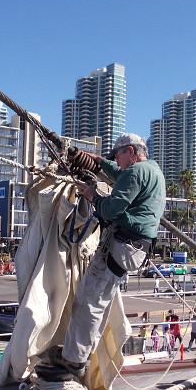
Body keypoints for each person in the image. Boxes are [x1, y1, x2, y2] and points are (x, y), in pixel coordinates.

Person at [50, 133, 166, 376]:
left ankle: (73, 360)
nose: (118, 161)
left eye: (120, 156)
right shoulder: (151, 169)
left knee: (90, 300)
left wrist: (92, 196)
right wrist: (97, 161)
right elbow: (118, 173)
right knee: (95, 299)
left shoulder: (134, 172)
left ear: (131, 152)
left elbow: (113, 209)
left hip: (122, 244)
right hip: (133, 246)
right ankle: (81, 353)